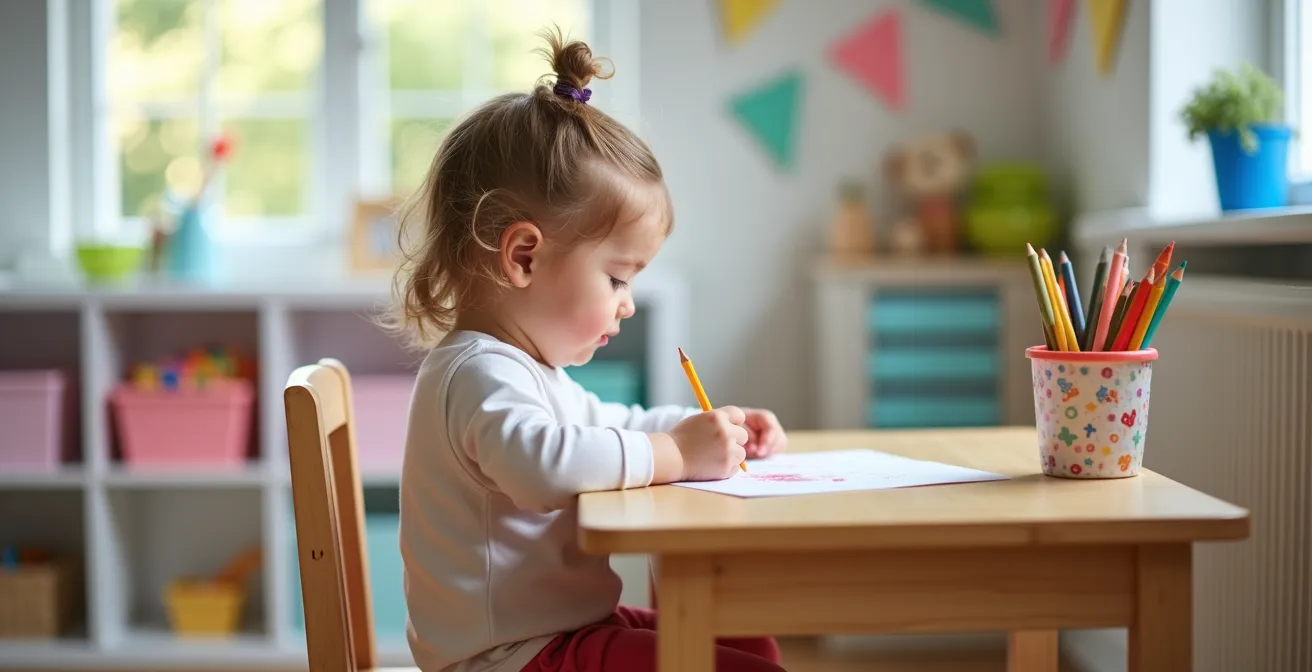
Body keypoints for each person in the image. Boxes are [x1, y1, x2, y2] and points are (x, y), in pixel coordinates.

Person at [382, 26, 790, 672]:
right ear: (523, 257)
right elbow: (544, 468)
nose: (626, 302)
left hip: (556, 632)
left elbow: (604, 426)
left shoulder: (525, 367)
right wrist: (678, 453)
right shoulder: (476, 373)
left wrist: (706, 430)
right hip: (510, 656)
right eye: (617, 278)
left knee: (740, 637)